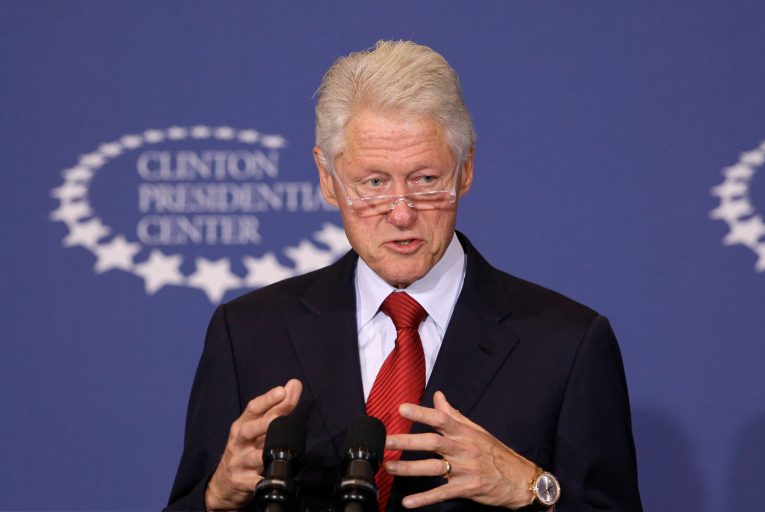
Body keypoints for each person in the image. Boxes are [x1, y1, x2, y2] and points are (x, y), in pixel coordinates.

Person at [167, 40, 643, 511]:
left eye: (425, 180)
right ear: (327, 179)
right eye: (374, 183)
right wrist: (216, 497)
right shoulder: (249, 334)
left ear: (466, 169)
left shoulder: (567, 345)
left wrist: (530, 487)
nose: (401, 214)